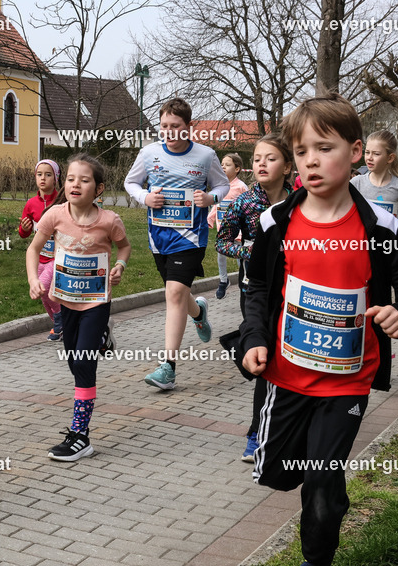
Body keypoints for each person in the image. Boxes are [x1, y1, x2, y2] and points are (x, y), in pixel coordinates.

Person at [241, 93, 398, 566]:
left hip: (348, 380)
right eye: (300, 151)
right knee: (279, 473)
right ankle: (298, 463)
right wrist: (253, 339)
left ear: (354, 153)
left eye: (323, 149)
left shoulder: (382, 230)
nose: (310, 161)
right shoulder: (275, 224)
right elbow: (255, 288)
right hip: (285, 375)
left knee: (323, 479)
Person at [27, 154, 131, 461]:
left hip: (96, 302)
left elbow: (124, 245)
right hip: (65, 301)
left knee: (84, 364)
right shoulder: (55, 216)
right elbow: (34, 249)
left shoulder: (110, 220)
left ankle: (80, 435)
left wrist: (121, 265)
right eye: (71, 178)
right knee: (74, 362)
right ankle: (100, 338)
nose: (76, 184)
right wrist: (34, 279)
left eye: (84, 180)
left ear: (98, 189)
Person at [124, 98, 229, 390]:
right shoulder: (149, 153)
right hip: (159, 238)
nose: (169, 132)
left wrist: (211, 198)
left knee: (173, 293)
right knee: (179, 297)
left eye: (175, 126)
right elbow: (130, 183)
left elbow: (223, 185)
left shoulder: (206, 155)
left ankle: (167, 368)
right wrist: (144, 197)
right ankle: (199, 312)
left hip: (192, 238)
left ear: (188, 127)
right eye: (164, 126)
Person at [214, 133, 294, 462]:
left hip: (293, 291)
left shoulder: (301, 201)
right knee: (266, 362)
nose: (261, 163)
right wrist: (248, 249)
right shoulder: (244, 202)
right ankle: (255, 433)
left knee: (281, 360)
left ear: (288, 166)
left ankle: (279, 427)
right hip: (255, 291)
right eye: (258, 158)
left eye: (270, 158)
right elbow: (222, 240)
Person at [19, 160, 63, 340]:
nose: (43, 178)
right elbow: (24, 234)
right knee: (44, 296)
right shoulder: (31, 204)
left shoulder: (62, 201)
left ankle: (60, 322)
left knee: (44, 288)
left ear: (56, 178)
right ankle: (59, 325)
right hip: (39, 258)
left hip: (57, 258)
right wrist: (25, 227)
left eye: (48, 174)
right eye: (39, 174)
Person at [350, 130, 398, 230]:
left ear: (390, 158)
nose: (369, 158)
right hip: (361, 242)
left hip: (388, 244)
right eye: (367, 152)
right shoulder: (356, 183)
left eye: (376, 154)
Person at [208, 153, 249, 300]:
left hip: (238, 232)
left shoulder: (241, 187)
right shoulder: (219, 186)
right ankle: (223, 281)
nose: (223, 167)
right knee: (221, 256)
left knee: (240, 258)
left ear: (237, 168)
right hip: (223, 230)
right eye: (222, 164)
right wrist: (210, 218)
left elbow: (248, 205)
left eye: (227, 164)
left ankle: (244, 281)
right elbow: (216, 205)